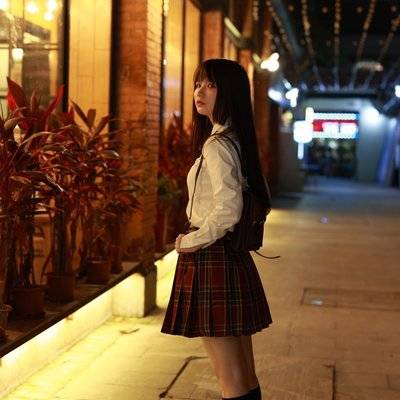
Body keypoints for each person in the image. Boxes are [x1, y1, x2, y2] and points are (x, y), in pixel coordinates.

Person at [161, 58, 273, 400]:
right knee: (244, 375)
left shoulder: (218, 145)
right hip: (229, 258)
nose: (200, 92)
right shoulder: (234, 139)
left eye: (210, 85)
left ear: (229, 92)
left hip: (213, 259)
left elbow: (228, 210)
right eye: (198, 84)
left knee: (232, 379)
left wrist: (190, 241)